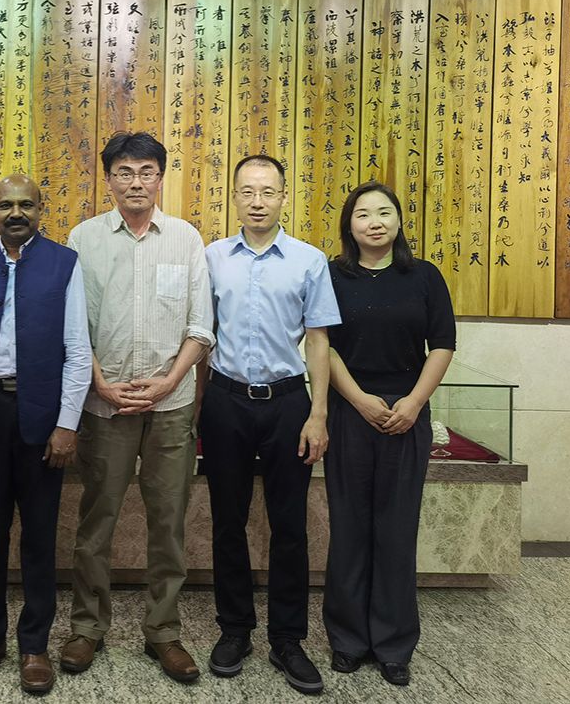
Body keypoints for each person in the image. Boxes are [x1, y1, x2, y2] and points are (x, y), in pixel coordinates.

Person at [58, 131, 214, 685]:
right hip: (106, 407)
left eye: (146, 171)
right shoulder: (83, 239)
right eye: (124, 172)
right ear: (108, 180)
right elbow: (72, 326)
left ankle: (163, 632)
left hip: (171, 406)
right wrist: (99, 383)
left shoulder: (186, 239)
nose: (136, 182)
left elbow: (201, 327)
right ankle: (87, 627)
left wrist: (170, 380)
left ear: (160, 178)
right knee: (96, 521)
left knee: (168, 523)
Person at [0, 174, 92, 695]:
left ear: (40, 210)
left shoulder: (64, 263)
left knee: (39, 536)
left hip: (41, 418)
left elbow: (78, 350)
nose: (16, 213)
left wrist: (67, 423)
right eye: (6, 205)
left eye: (26, 204)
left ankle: (34, 644)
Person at [199, 154, 338, 695]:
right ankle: (234, 630)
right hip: (226, 400)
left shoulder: (309, 261)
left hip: (286, 403)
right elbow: (202, 335)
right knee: (227, 522)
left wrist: (318, 414)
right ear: (234, 197)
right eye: (247, 191)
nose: (257, 202)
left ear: (284, 197)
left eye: (268, 191)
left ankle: (287, 639)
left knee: (289, 526)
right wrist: (198, 410)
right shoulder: (212, 257)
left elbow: (319, 341)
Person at [322, 181, 455, 688]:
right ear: (349, 225)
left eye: (384, 212)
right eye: (363, 214)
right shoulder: (332, 275)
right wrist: (358, 399)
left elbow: (442, 343)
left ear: (399, 221)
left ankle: (395, 644)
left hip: (407, 412)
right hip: (349, 409)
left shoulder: (423, 276)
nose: (374, 222)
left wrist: (414, 403)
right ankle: (347, 639)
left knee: (397, 530)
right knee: (349, 527)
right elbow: (323, 344)